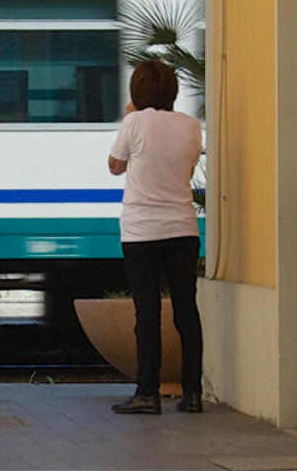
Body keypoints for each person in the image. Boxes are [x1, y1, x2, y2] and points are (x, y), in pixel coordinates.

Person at [107, 60, 204, 415]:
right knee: (186, 311)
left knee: (147, 313)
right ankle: (192, 394)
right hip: (182, 228)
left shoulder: (134, 122)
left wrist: (130, 117)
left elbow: (115, 166)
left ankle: (148, 394)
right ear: (171, 91)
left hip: (142, 231)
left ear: (137, 91)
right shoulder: (190, 126)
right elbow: (187, 171)